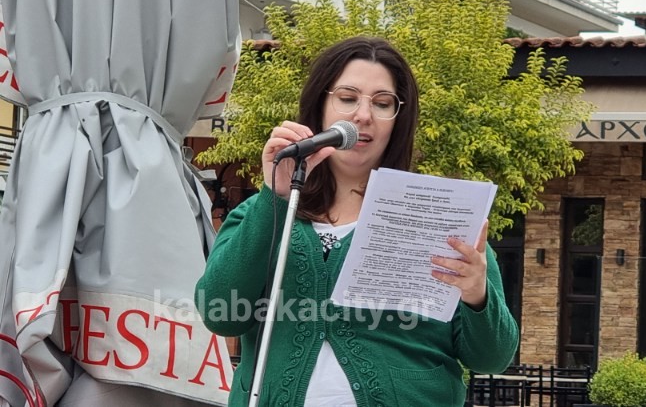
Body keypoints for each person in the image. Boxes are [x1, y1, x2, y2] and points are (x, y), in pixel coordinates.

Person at [195, 36, 519, 407]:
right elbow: (219, 314)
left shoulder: (439, 215)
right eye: (347, 98)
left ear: (398, 120)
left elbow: (491, 358)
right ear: (320, 107)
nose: (363, 115)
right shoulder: (260, 212)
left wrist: (477, 295)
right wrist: (276, 198)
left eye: (382, 103)